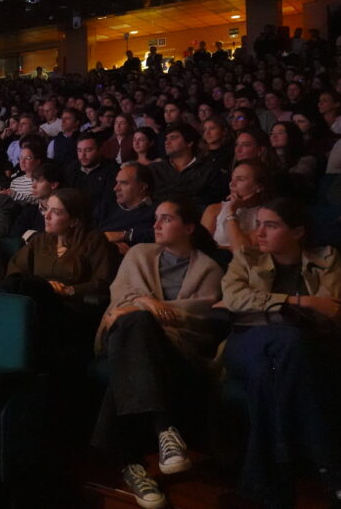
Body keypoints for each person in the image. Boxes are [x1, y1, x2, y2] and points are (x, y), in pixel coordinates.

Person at [92, 199, 224, 509]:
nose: (156, 224)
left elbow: (201, 316)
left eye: (166, 219)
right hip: (126, 336)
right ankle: (165, 430)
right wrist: (148, 306)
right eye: (156, 218)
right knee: (134, 326)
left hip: (177, 348)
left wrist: (139, 305)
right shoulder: (139, 254)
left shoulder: (209, 268)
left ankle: (131, 464)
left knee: (133, 331)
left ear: (189, 227)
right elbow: (118, 295)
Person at [220, 198, 341, 508]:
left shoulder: (327, 259)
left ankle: (267, 485)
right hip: (247, 341)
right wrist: (298, 302)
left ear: (298, 231)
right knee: (290, 341)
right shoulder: (246, 258)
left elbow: (334, 312)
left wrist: (269, 302)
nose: (259, 233)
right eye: (258, 224)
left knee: (269, 374)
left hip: (302, 352)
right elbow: (235, 298)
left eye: (271, 225)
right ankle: (331, 466)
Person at [4, 189, 116, 372]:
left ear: (74, 220)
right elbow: (15, 271)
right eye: (47, 209)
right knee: (16, 285)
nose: (46, 216)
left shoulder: (94, 241)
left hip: (72, 309)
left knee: (35, 291)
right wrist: (44, 286)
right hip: (37, 302)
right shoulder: (40, 241)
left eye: (56, 212)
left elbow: (103, 283)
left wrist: (69, 290)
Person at [149, 123, 226, 208]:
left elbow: (212, 205)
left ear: (189, 143)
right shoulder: (154, 169)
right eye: (166, 139)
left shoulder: (209, 171)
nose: (167, 142)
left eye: (173, 138)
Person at [201, 160, 272, 251]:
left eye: (240, 179)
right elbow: (203, 248)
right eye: (232, 178)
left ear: (259, 187)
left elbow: (243, 251)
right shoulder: (214, 209)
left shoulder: (267, 215)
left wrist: (231, 211)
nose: (232, 184)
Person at [65, 133, 119, 215]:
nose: (82, 155)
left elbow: (108, 203)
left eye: (88, 150)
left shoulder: (112, 170)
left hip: (99, 218)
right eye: (79, 150)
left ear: (100, 150)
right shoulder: (73, 167)